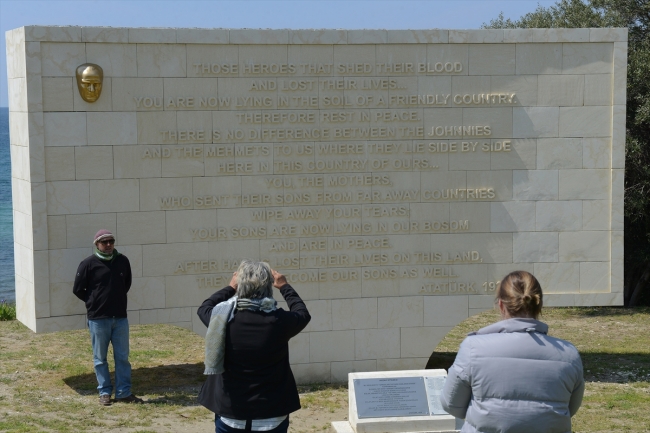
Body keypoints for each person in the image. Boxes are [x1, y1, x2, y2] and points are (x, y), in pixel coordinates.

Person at [440, 271, 584, 433]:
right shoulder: (568, 353)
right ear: (540, 305)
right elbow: (569, 408)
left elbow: (451, 404)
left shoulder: (473, 347)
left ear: (501, 305)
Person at [197, 260, 311, 433]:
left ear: (240, 285)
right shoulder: (279, 321)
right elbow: (302, 313)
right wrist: (285, 286)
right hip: (272, 414)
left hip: (231, 413)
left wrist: (230, 287)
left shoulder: (222, 320)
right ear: (269, 286)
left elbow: (204, 307)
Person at [73, 229, 143, 406]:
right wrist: (93, 303)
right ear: (97, 244)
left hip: (120, 318)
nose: (109, 244)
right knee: (100, 359)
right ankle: (104, 392)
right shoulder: (88, 264)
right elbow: (78, 289)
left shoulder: (122, 261)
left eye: (111, 241)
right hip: (98, 319)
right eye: (104, 242)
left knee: (122, 358)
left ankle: (123, 392)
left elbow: (126, 283)